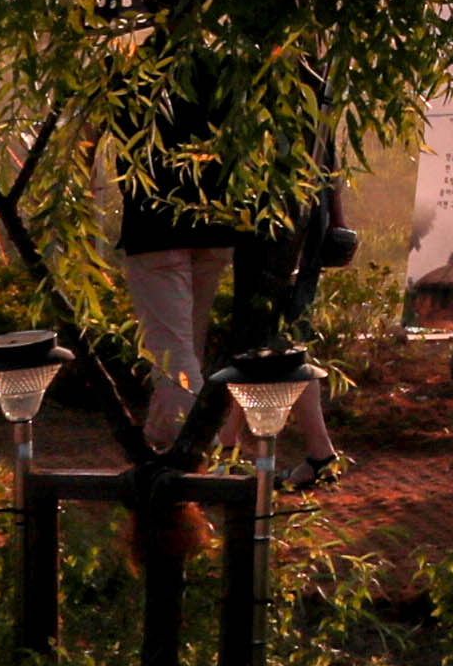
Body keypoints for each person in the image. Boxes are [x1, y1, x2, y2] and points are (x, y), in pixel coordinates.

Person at [118, 122, 347, 488]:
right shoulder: (254, 76)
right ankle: (225, 447)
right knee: (247, 340)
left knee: (213, 347)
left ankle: (198, 455)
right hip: (225, 219)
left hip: (227, 221)